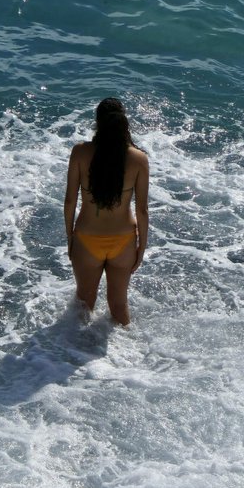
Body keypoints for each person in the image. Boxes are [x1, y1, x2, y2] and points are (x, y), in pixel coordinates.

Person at [64, 98, 149, 325]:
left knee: (84, 302)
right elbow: (142, 209)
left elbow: (70, 199)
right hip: (124, 241)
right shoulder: (138, 159)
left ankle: (70, 355)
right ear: (124, 124)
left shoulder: (80, 152)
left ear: (98, 123)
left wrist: (70, 237)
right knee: (119, 305)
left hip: (86, 239)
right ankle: (128, 358)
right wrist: (142, 247)